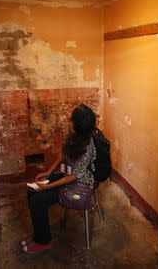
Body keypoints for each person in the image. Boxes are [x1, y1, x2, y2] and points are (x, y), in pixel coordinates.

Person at [21, 104, 97, 254]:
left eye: (72, 117)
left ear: (76, 125)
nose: (69, 117)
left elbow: (74, 176)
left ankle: (43, 241)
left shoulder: (87, 146)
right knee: (32, 190)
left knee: (38, 200)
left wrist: (49, 186)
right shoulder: (74, 135)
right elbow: (63, 155)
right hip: (67, 175)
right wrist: (48, 173)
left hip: (79, 184)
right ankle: (39, 234)